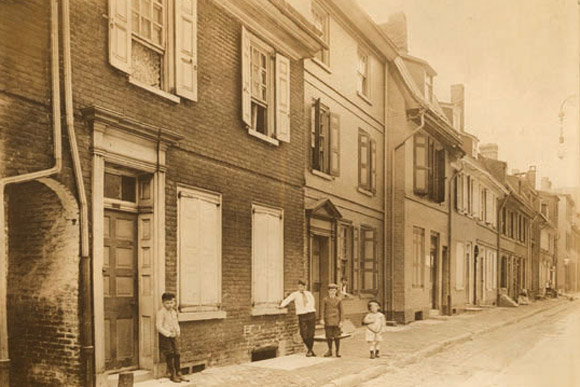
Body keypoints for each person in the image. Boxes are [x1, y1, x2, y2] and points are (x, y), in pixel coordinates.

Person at [279, 280, 317, 356]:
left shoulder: (309, 294)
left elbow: (313, 302)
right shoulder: (295, 294)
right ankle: (310, 349)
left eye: (303, 286)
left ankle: (309, 350)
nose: (301, 288)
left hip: (311, 314)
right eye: (300, 286)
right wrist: (281, 306)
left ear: (305, 287)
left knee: (311, 334)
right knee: (303, 334)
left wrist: (310, 309)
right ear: (298, 286)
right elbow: (288, 300)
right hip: (302, 315)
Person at [156, 292, 188, 383]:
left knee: (177, 353)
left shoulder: (173, 312)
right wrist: (168, 334)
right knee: (169, 354)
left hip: (174, 336)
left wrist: (178, 331)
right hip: (165, 337)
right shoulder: (161, 313)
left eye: (171, 303)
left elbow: (176, 323)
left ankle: (179, 373)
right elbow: (159, 327)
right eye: (167, 303)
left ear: (174, 303)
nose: (169, 305)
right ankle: (172, 374)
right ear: (163, 303)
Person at [320, 283, 344, 357]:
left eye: (334, 290)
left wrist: (341, 321)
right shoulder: (325, 299)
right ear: (328, 291)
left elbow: (341, 311)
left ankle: (337, 351)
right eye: (331, 290)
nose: (332, 292)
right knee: (329, 336)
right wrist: (322, 319)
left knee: (337, 337)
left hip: (336, 321)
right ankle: (329, 350)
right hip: (328, 320)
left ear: (336, 291)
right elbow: (322, 310)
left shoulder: (338, 300)